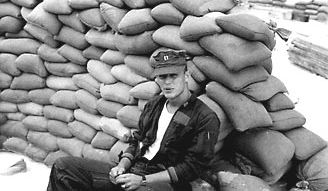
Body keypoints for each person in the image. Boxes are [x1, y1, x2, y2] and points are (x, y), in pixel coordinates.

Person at [47, 49, 220, 191]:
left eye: (173, 76)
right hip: (135, 171)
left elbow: (191, 168)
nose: (167, 82)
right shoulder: (154, 105)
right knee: (64, 168)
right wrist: (121, 166)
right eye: (162, 77)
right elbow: (137, 142)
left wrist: (143, 181)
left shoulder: (204, 117)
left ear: (187, 76)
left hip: (166, 183)